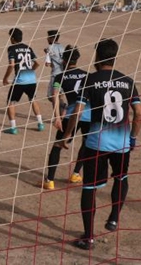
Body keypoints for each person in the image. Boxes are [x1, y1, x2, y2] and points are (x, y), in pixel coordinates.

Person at [62, 38, 141, 250]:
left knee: (89, 188)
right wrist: (132, 137)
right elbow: (139, 115)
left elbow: (77, 112)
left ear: (97, 56)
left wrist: (67, 135)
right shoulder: (127, 80)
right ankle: (114, 217)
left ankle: (88, 238)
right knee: (121, 177)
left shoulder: (90, 80)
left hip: (95, 143)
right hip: (121, 143)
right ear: (114, 57)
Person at [43, 45, 89, 190]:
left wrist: (57, 117)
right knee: (86, 144)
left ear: (64, 60)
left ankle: (50, 180)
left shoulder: (60, 76)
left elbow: (55, 96)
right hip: (89, 115)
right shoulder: (87, 75)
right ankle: (76, 174)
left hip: (71, 115)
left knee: (57, 146)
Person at [1, 27, 43, 133]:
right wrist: (31, 71)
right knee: (33, 99)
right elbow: (37, 63)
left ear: (13, 38)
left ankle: (13, 128)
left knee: (11, 102)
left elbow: (11, 65)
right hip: (32, 80)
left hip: (20, 80)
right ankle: (40, 124)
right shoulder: (28, 48)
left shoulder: (11, 49)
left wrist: (5, 78)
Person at [44, 30, 65, 109]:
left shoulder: (49, 48)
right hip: (63, 74)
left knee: (52, 97)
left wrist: (48, 54)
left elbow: (48, 64)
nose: (47, 38)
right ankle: (62, 111)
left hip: (55, 75)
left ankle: (60, 113)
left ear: (51, 38)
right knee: (60, 96)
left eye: (48, 37)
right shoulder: (62, 47)